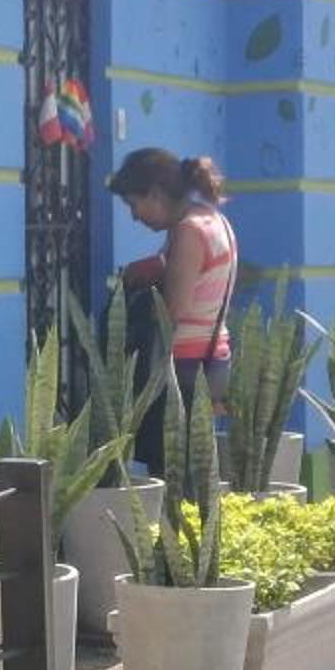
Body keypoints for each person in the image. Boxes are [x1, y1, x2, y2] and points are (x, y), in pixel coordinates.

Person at [107, 148, 237, 472]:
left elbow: (172, 312)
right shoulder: (214, 221)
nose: (134, 216)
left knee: (169, 474)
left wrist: (135, 311)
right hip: (212, 360)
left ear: (156, 193)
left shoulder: (188, 231)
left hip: (184, 369)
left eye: (133, 204)